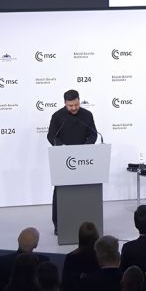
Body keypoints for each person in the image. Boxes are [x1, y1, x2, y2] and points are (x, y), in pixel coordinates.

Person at [46, 90, 97, 236]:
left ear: (79, 100)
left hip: (83, 159)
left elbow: (93, 134)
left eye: (76, 104)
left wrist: (86, 147)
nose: (74, 108)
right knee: (60, 190)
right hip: (64, 159)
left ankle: (84, 222)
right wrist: (61, 146)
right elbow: (51, 135)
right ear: (65, 103)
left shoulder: (87, 115)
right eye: (70, 106)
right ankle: (58, 224)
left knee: (83, 189)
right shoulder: (57, 116)